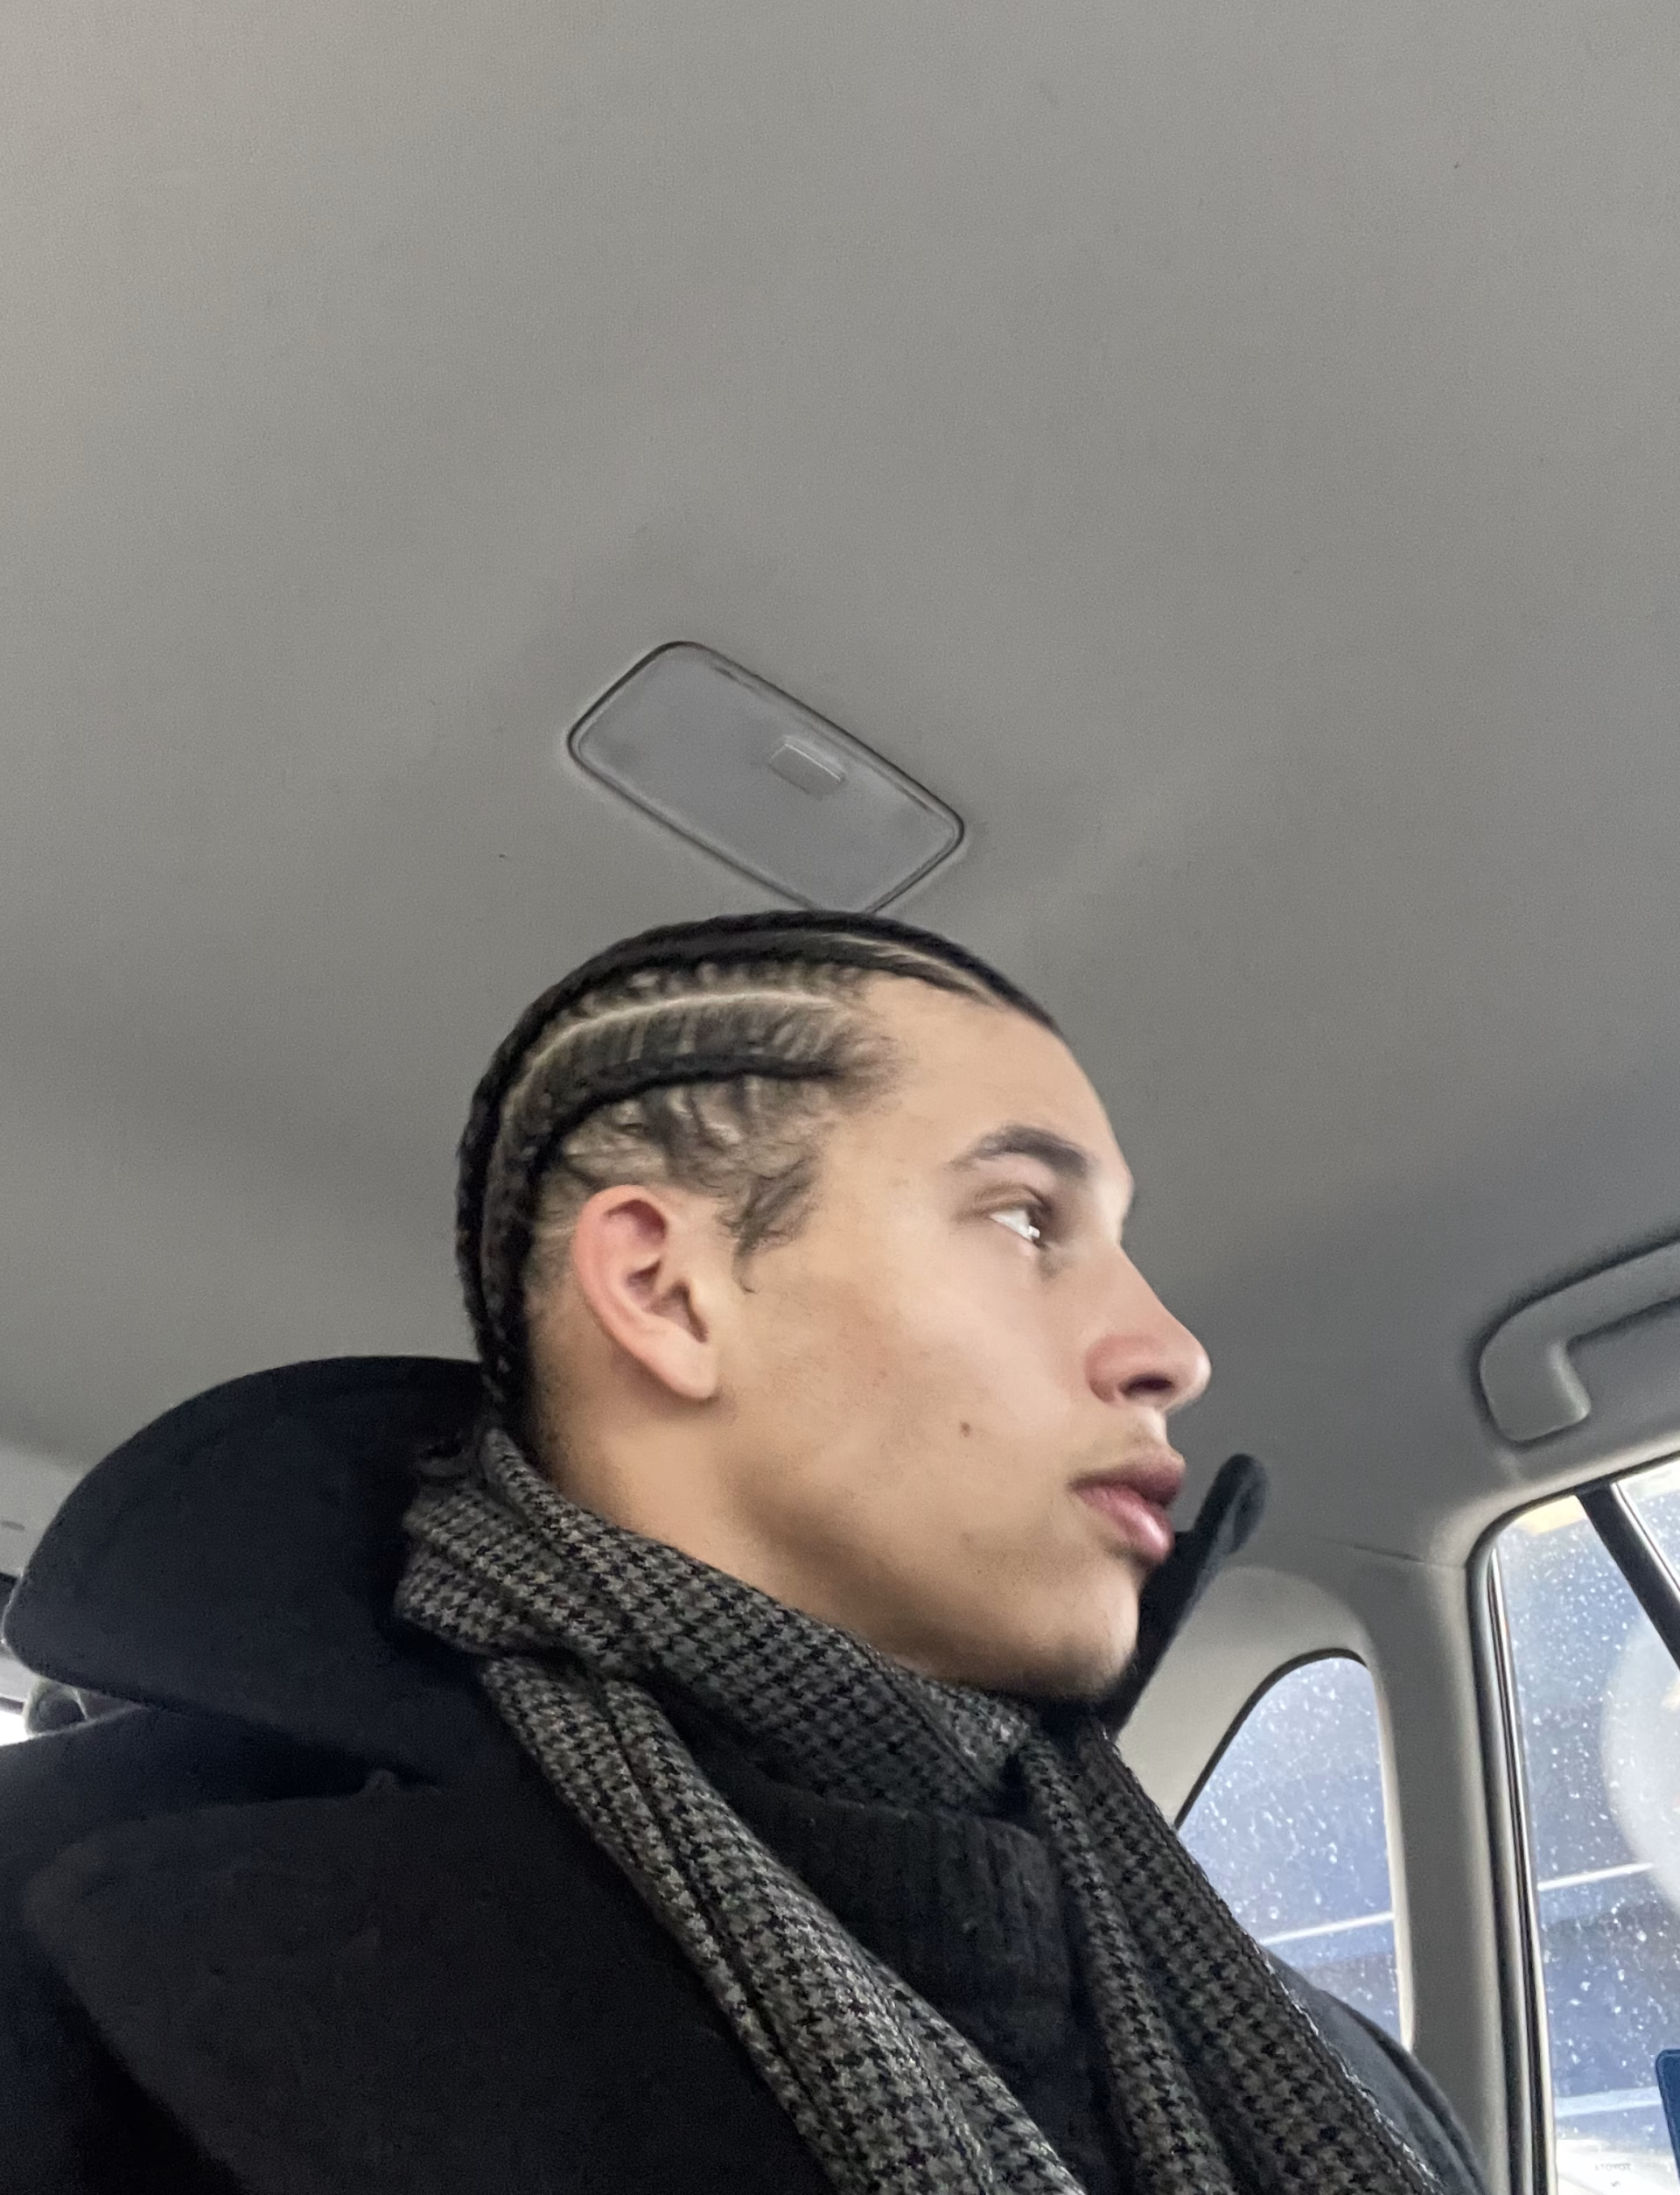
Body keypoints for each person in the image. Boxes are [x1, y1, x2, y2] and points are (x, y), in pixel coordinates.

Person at [0, 909, 1486, 2195]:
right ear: (668, 1291)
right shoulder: (62, 1933)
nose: (1172, 1349)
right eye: (1029, 1220)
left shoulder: (1338, 2077)